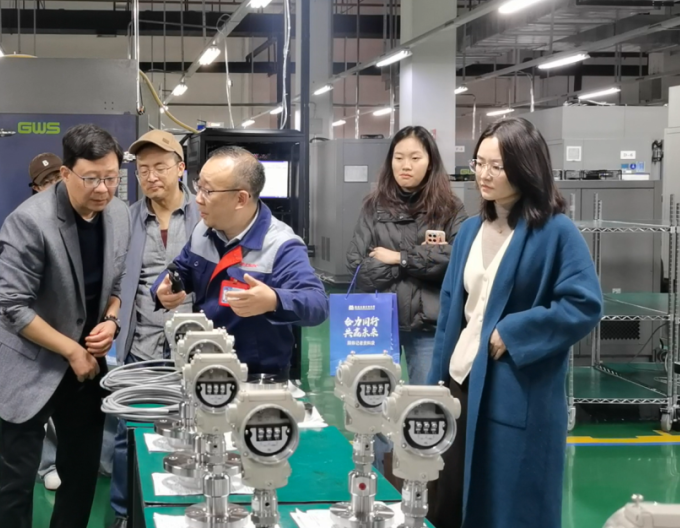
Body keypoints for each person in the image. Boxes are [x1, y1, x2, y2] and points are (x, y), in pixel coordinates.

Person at [425, 117, 603, 528]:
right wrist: (433, 387)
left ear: (526, 167)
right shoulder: (470, 232)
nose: (483, 175)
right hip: (461, 384)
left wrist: (514, 331)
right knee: (450, 496)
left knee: (509, 503)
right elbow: (451, 313)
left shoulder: (556, 232)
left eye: (497, 166)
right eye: (479, 163)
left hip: (516, 390)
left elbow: (584, 303)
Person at [0, 124, 130, 528]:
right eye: (91, 178)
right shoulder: (29, 222)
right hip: (30, 361)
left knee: (81, 474)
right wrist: (71, 349)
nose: (103, 189)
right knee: (15, 483)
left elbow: (117, 283)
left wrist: (111, 320)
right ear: (66, 174)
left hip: (85, 362)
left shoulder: (119, 214)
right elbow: (12, 307)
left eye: (111, 178)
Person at [154, 145, 328, 378]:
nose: (198, 200)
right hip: (204, 365)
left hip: (257, 378)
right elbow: (181, 269)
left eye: (208, 191)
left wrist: (274, 300)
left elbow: (317, 303)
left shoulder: (280, 245)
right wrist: (163, 288)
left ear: (240, 198)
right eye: (198, 187)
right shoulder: (203, 230)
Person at [110, 130, 200, 526]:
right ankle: (122, 512)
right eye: (143, 170)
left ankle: (186, 507)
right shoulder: (125, 219)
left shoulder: (204, 215)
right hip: (141, 345)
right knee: (129, 433)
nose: (151, 176)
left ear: (180, 169)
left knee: (196, 428)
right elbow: (117, 280)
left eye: (160, 167)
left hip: (196, 346)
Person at [347, 125, 468, 385]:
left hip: (428, 326)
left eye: (415, 158)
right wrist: (419, 261)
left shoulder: (450, 208)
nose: (406, 165)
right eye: (399, 157)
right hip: (378, 320)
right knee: (373, 398)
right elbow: (357, 267)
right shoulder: (373, 207)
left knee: (424, 399)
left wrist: (398, 258)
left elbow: (457, 262)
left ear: (430, 161)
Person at [27, 151, 66, 492]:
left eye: (57, 179)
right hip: (43, 328)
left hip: (80, 327)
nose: (53, 187)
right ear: (35, 189)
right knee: (45, 400)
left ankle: (98, 460)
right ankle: (48, 464)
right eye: (46, 182)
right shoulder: (27, 223)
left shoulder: (84, 217)